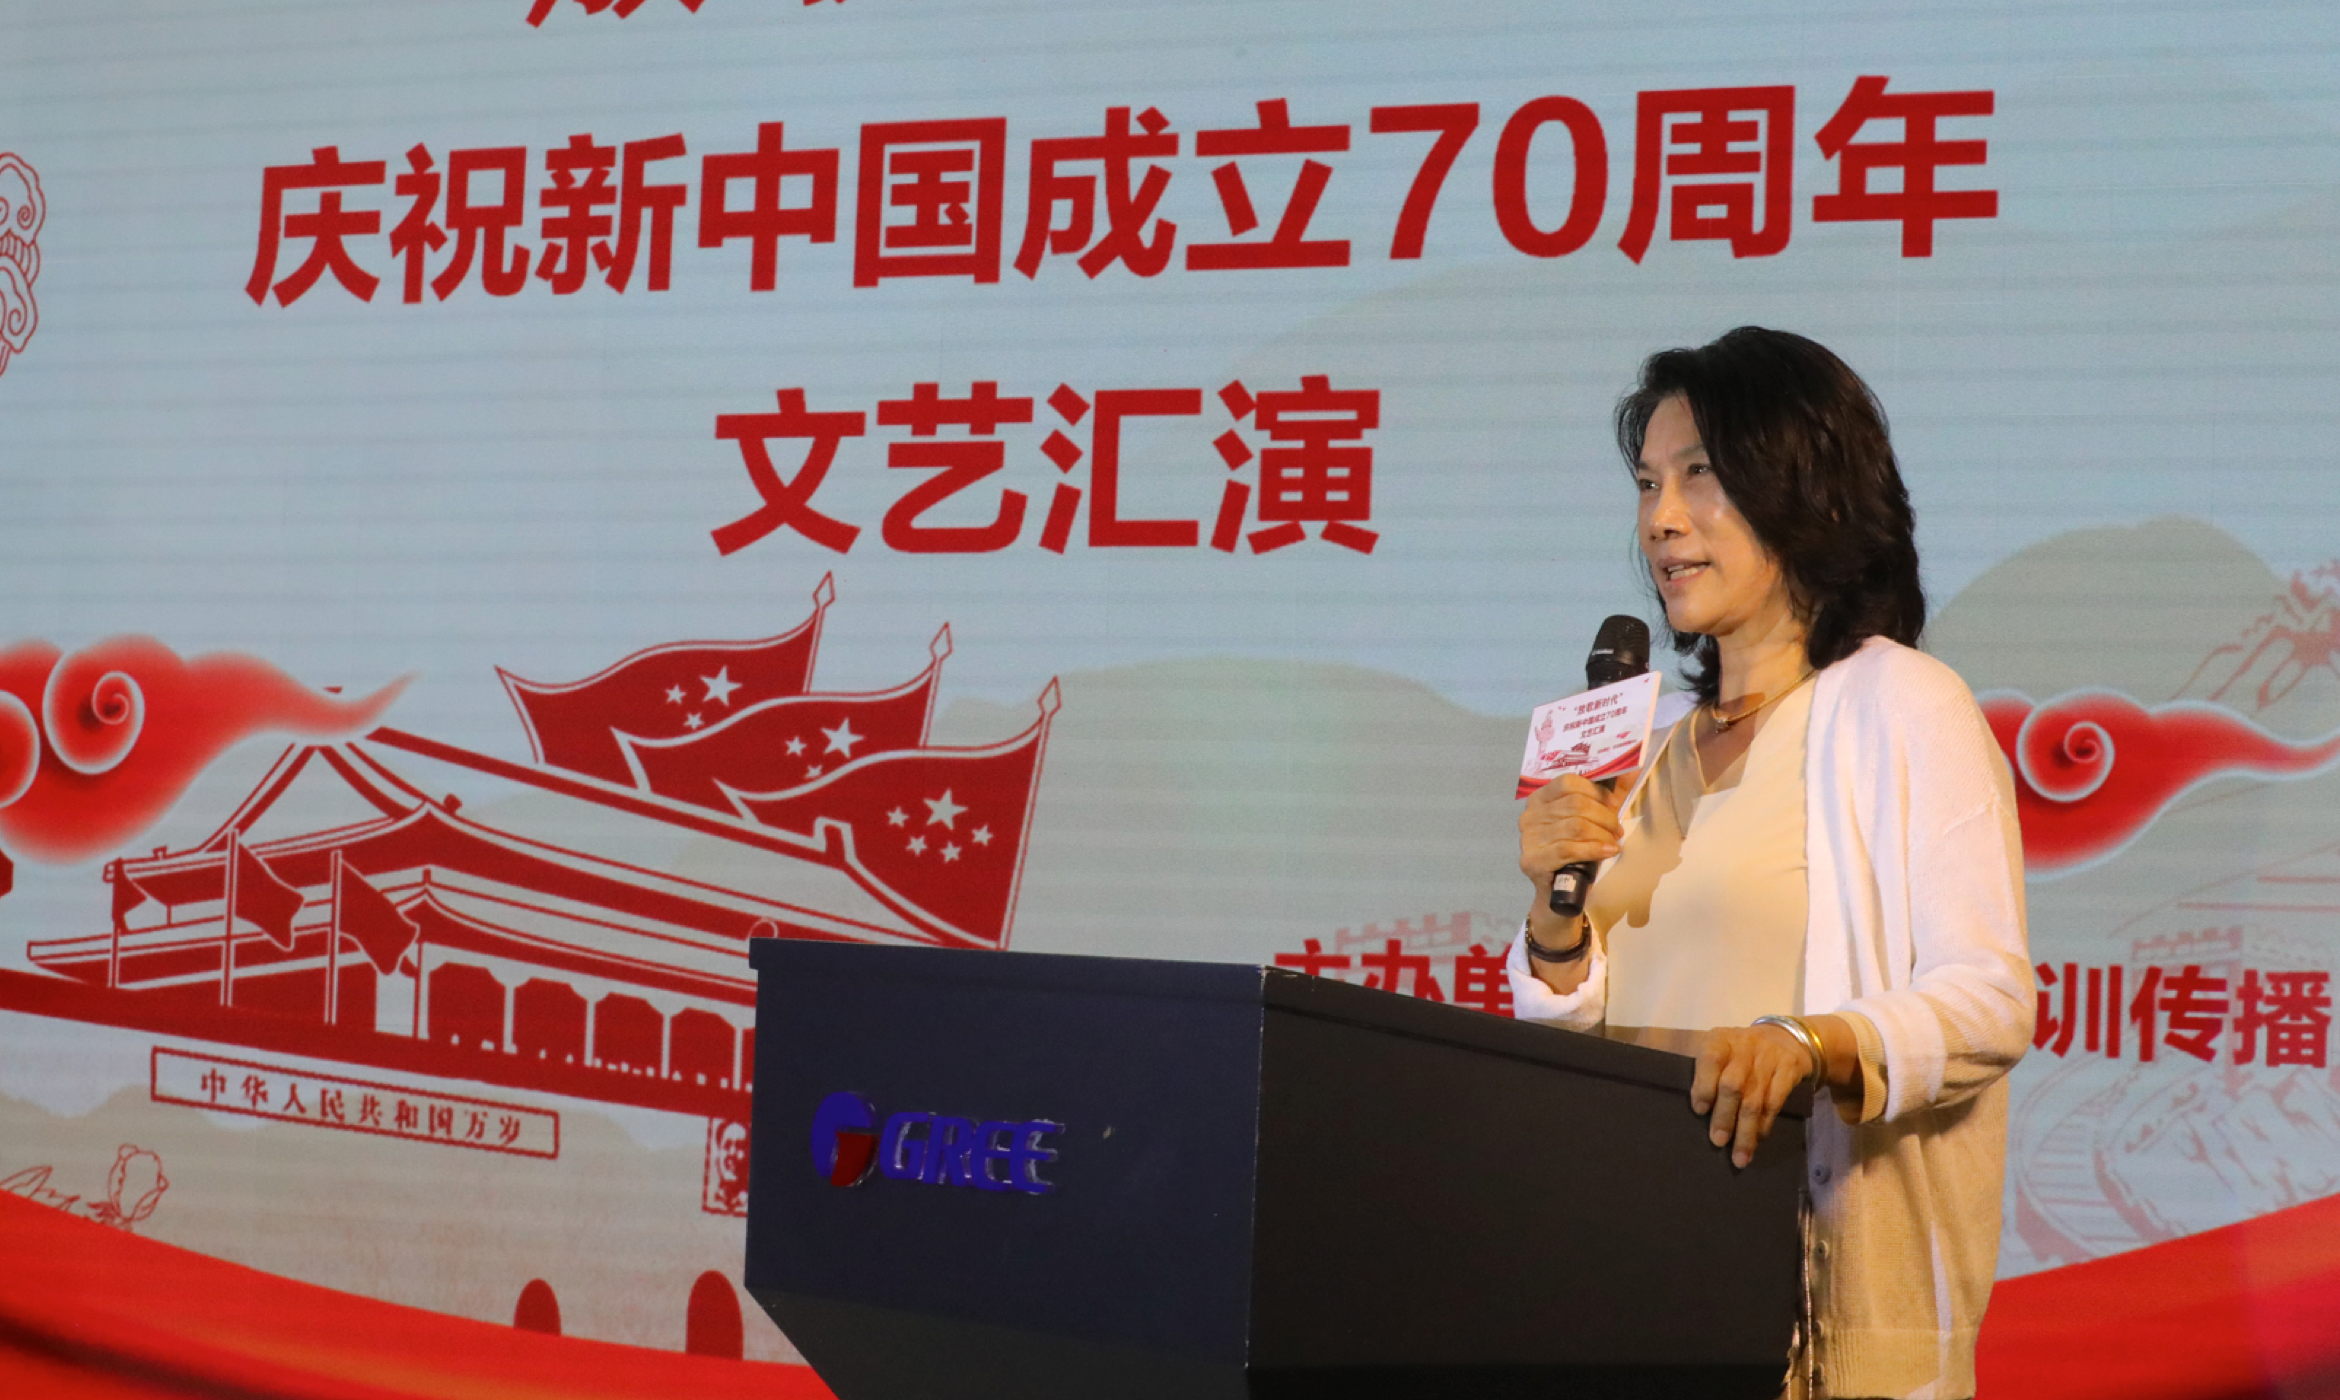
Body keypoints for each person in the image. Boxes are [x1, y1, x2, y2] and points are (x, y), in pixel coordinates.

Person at [1510, 327, 2033, 1399]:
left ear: (1803, 489)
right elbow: (1581, 1045)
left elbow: (1990, 999)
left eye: (1699, 474)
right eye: (1648, 482)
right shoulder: (1647, 751)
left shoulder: (1900, 703)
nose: (1660, 518)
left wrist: (1808, 1042)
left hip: (1806, 1322)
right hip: (1637, 1290)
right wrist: (1554, 928)